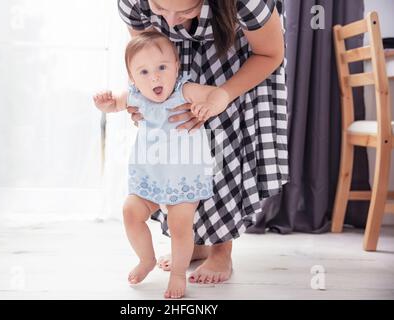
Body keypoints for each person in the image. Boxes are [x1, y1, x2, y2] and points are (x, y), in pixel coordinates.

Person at [116, 0, 288, 285]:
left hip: (240, 57)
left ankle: (221, 248)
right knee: (181, 141)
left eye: (185, 12)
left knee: (222, 140)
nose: (171, 23)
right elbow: (144, 54)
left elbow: (269, 53)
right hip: (173, 62)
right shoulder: (132, 2)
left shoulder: (246, 3)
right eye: (160, 10)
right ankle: (194, 242)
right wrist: (144, 96)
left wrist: (222, 95)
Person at [93, 31, 229, 298]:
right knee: (131, 212)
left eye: (162, 67)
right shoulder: (136, 95)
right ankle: (146, 259)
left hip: (183, 177)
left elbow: (218, 93)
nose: (154, 77)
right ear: (132, 78)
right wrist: (106, 105)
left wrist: (211, 105)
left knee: (180, 227)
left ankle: (178, 275)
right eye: (143, 72)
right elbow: (116, 105)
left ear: (177, 67)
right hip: (150, 178)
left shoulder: (184, 91)